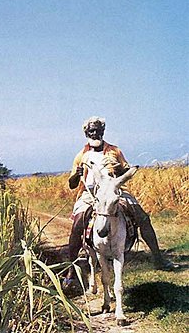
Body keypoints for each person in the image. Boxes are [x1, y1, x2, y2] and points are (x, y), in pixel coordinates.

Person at [64, 116, 177, 286]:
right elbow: (72, 185)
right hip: (90, 194)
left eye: (98, 130)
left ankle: (158, 258)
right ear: (86, 133)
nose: (95, 133)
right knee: (78, 224)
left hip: (115, 190)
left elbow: (126, 171)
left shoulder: (114, 151)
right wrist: (77, 174)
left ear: (103, 131)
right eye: (91, 131)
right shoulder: (81, 155)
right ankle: (71, 270)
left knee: (142, 216)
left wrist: (121, 169)